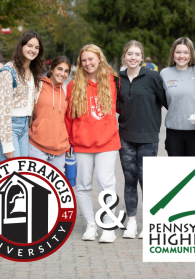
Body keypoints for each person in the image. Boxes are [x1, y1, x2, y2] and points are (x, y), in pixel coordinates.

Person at [65, 44, 121, 243]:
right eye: (84, 60)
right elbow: (68, 117)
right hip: (82, 143)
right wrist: (71, 141)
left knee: (106, 184)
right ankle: (91, 224)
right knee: (82, 185)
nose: (88, 63)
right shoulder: (74, 85)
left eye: (91, 59)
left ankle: (108, 225)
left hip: (107, 142)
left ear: (99, 59)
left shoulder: (113, 81)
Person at [118, 40, 167, 239]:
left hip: (148, 137)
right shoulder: (117, 79)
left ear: (142, 57)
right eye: (129, 53)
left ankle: (150, 223)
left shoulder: (153, 77)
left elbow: (166, 102)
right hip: (125, 137)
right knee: (130, 180)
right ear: (124, 56)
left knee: (147, 181)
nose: (133, 57)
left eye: (137, 54)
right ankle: (131, 222)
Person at [0, 31, 46, 163]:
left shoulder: (31, 71)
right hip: (9, 126)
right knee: (11, 175)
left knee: (21, 174)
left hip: (23, 128)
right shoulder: (8, 71)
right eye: (29, 45)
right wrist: (7, 143)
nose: (33, 50)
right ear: (21, 46)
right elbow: (1, 110)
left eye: (36, 48)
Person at [160, 37, 195, 156]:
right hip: (174, 131)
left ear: (191, 54)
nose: (182, 56)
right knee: (177, 173)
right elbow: (162, 100)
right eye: (178, 52)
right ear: (173, 54)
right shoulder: (164, 73)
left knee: (194, 172)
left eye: (186, 52)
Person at [29, 56, 70, 173]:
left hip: (59, 148)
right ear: (52, 69)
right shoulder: (38, 86)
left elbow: (67, 119)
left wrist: (68, 143)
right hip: (37, 146)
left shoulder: (66, 90)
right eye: (59, 69)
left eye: (66, 71)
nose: (62, 73)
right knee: (36, 183)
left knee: (55, 188)